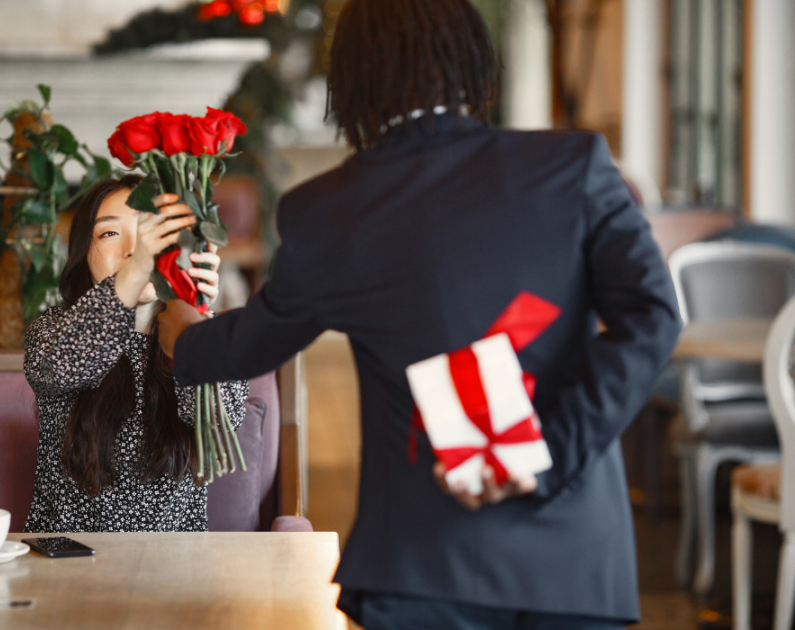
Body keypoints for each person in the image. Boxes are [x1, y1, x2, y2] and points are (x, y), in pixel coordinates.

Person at [158, 0, 682, 627]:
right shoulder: (574, 169)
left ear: (352, 76)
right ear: (468, 56)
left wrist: (181, 336)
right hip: (571, 564)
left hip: (418, 566)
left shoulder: (330, 209)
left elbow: (251, 343)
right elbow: (653, 317)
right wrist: (547, 452)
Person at [23, 175, 248, 533]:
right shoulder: (53, 332)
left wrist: (196, 316)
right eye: (110, 233)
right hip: (67, 566)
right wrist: (139, 266)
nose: (132, 249)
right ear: (84, 253)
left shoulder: (211, 336)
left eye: (147, 233)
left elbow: (223, 422)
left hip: (175, 572)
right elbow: (67, 365)